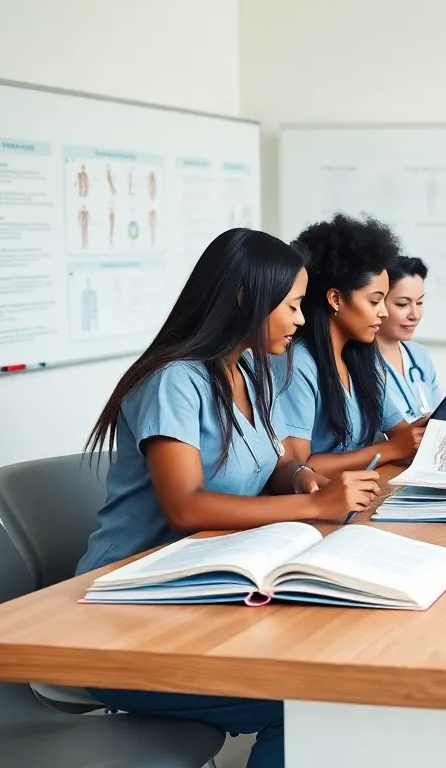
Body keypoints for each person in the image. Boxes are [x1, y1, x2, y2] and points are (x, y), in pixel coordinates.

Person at [76, 228, 379, 768]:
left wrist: (304, 479)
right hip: (123, 620)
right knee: (310, 705)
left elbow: (269, 467)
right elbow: (186, 507)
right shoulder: (175, 381)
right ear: (247, 300)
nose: (302, 320)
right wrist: (313, 508)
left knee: (337, 671)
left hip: (200, 592)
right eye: (290, 306)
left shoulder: (242, 371)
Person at [276, 214, 425, 475]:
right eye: (374, 301)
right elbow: (299, 467)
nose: (384, 313)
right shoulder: (299, 364)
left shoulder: (361, 358)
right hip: (323, 507)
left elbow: (402, 434)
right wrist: (390, 450)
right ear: (335, 298)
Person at [377, 255, 442, 423]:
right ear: (378, 302)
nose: (415, 315)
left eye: (419, 303)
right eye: (402, 304)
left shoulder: (419, 355)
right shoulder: (358, 361)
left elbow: (440, 418)